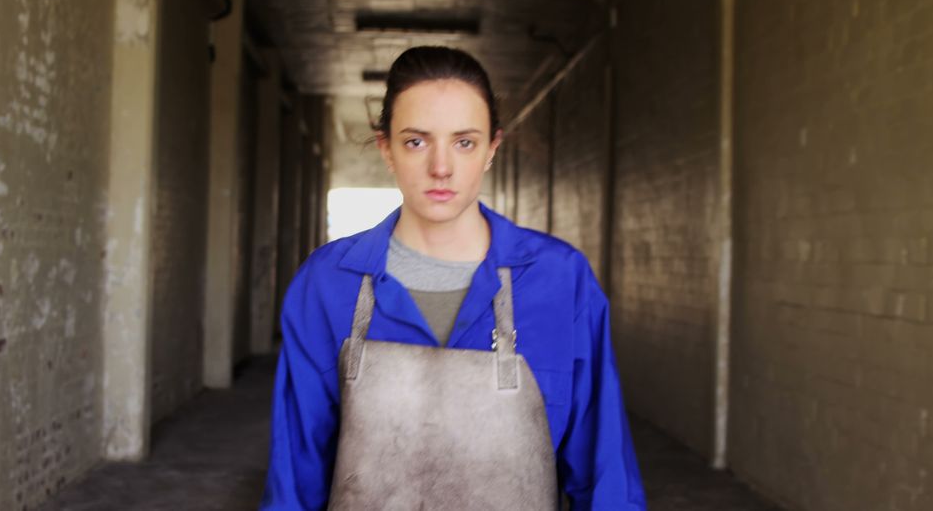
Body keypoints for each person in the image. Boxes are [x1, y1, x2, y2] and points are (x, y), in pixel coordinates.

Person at [261, 46, 646, 510]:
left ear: (491, 149)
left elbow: (605, 475)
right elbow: (294, 479)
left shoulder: (560, 282)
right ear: (386, 149)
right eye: (416, 141)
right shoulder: (325, 286)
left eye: (464, 142)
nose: (440, 167)